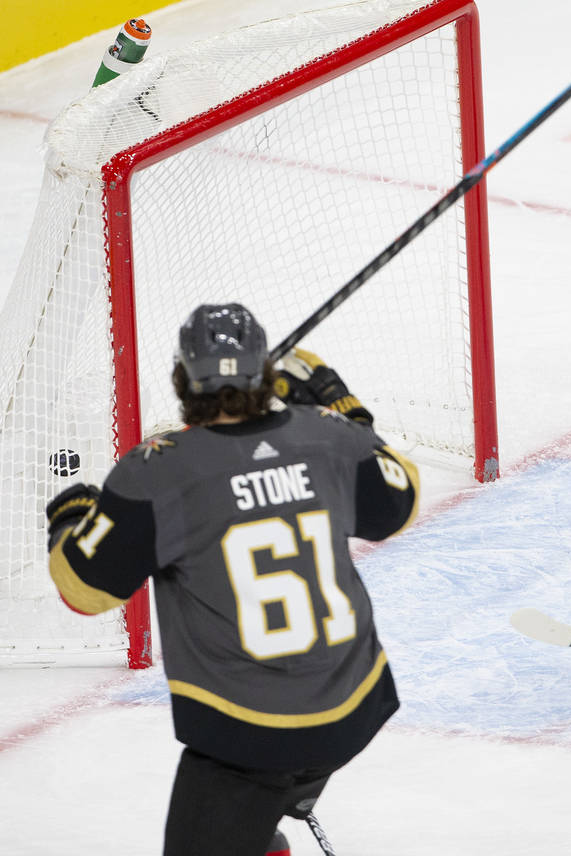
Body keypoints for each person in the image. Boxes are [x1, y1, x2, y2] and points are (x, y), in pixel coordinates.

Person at [45, 304, 419, 856]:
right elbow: (397, 502)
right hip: (355, 708)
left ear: (183, 377)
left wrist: (71, 514)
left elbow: (84, 591)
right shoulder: (326, 437)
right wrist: (334, 400)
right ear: (265, 375)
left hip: (250, 736)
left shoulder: (157, 473)